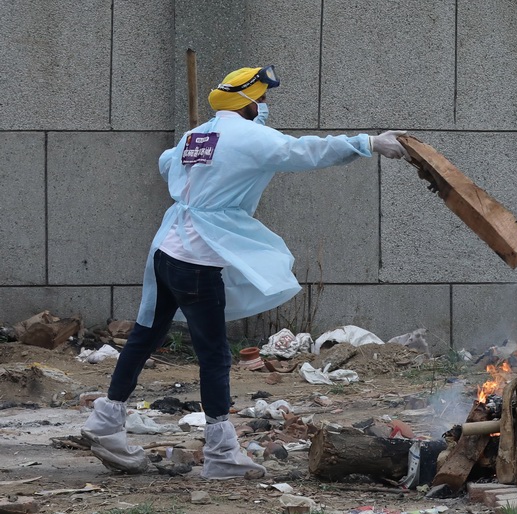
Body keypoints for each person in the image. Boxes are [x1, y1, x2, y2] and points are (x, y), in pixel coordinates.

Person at [81, 66, 407, 479]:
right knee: (214, 353)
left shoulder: (197, 135)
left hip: (166, 250)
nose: (266, 108)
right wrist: (368, 143)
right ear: (250, 102)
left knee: (145, 335)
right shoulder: (248, 137)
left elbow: (166, 163)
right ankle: (220, 452)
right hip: (197, 260)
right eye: (263, 100)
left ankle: (105, 421)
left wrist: (196, 160)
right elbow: (305, 151)